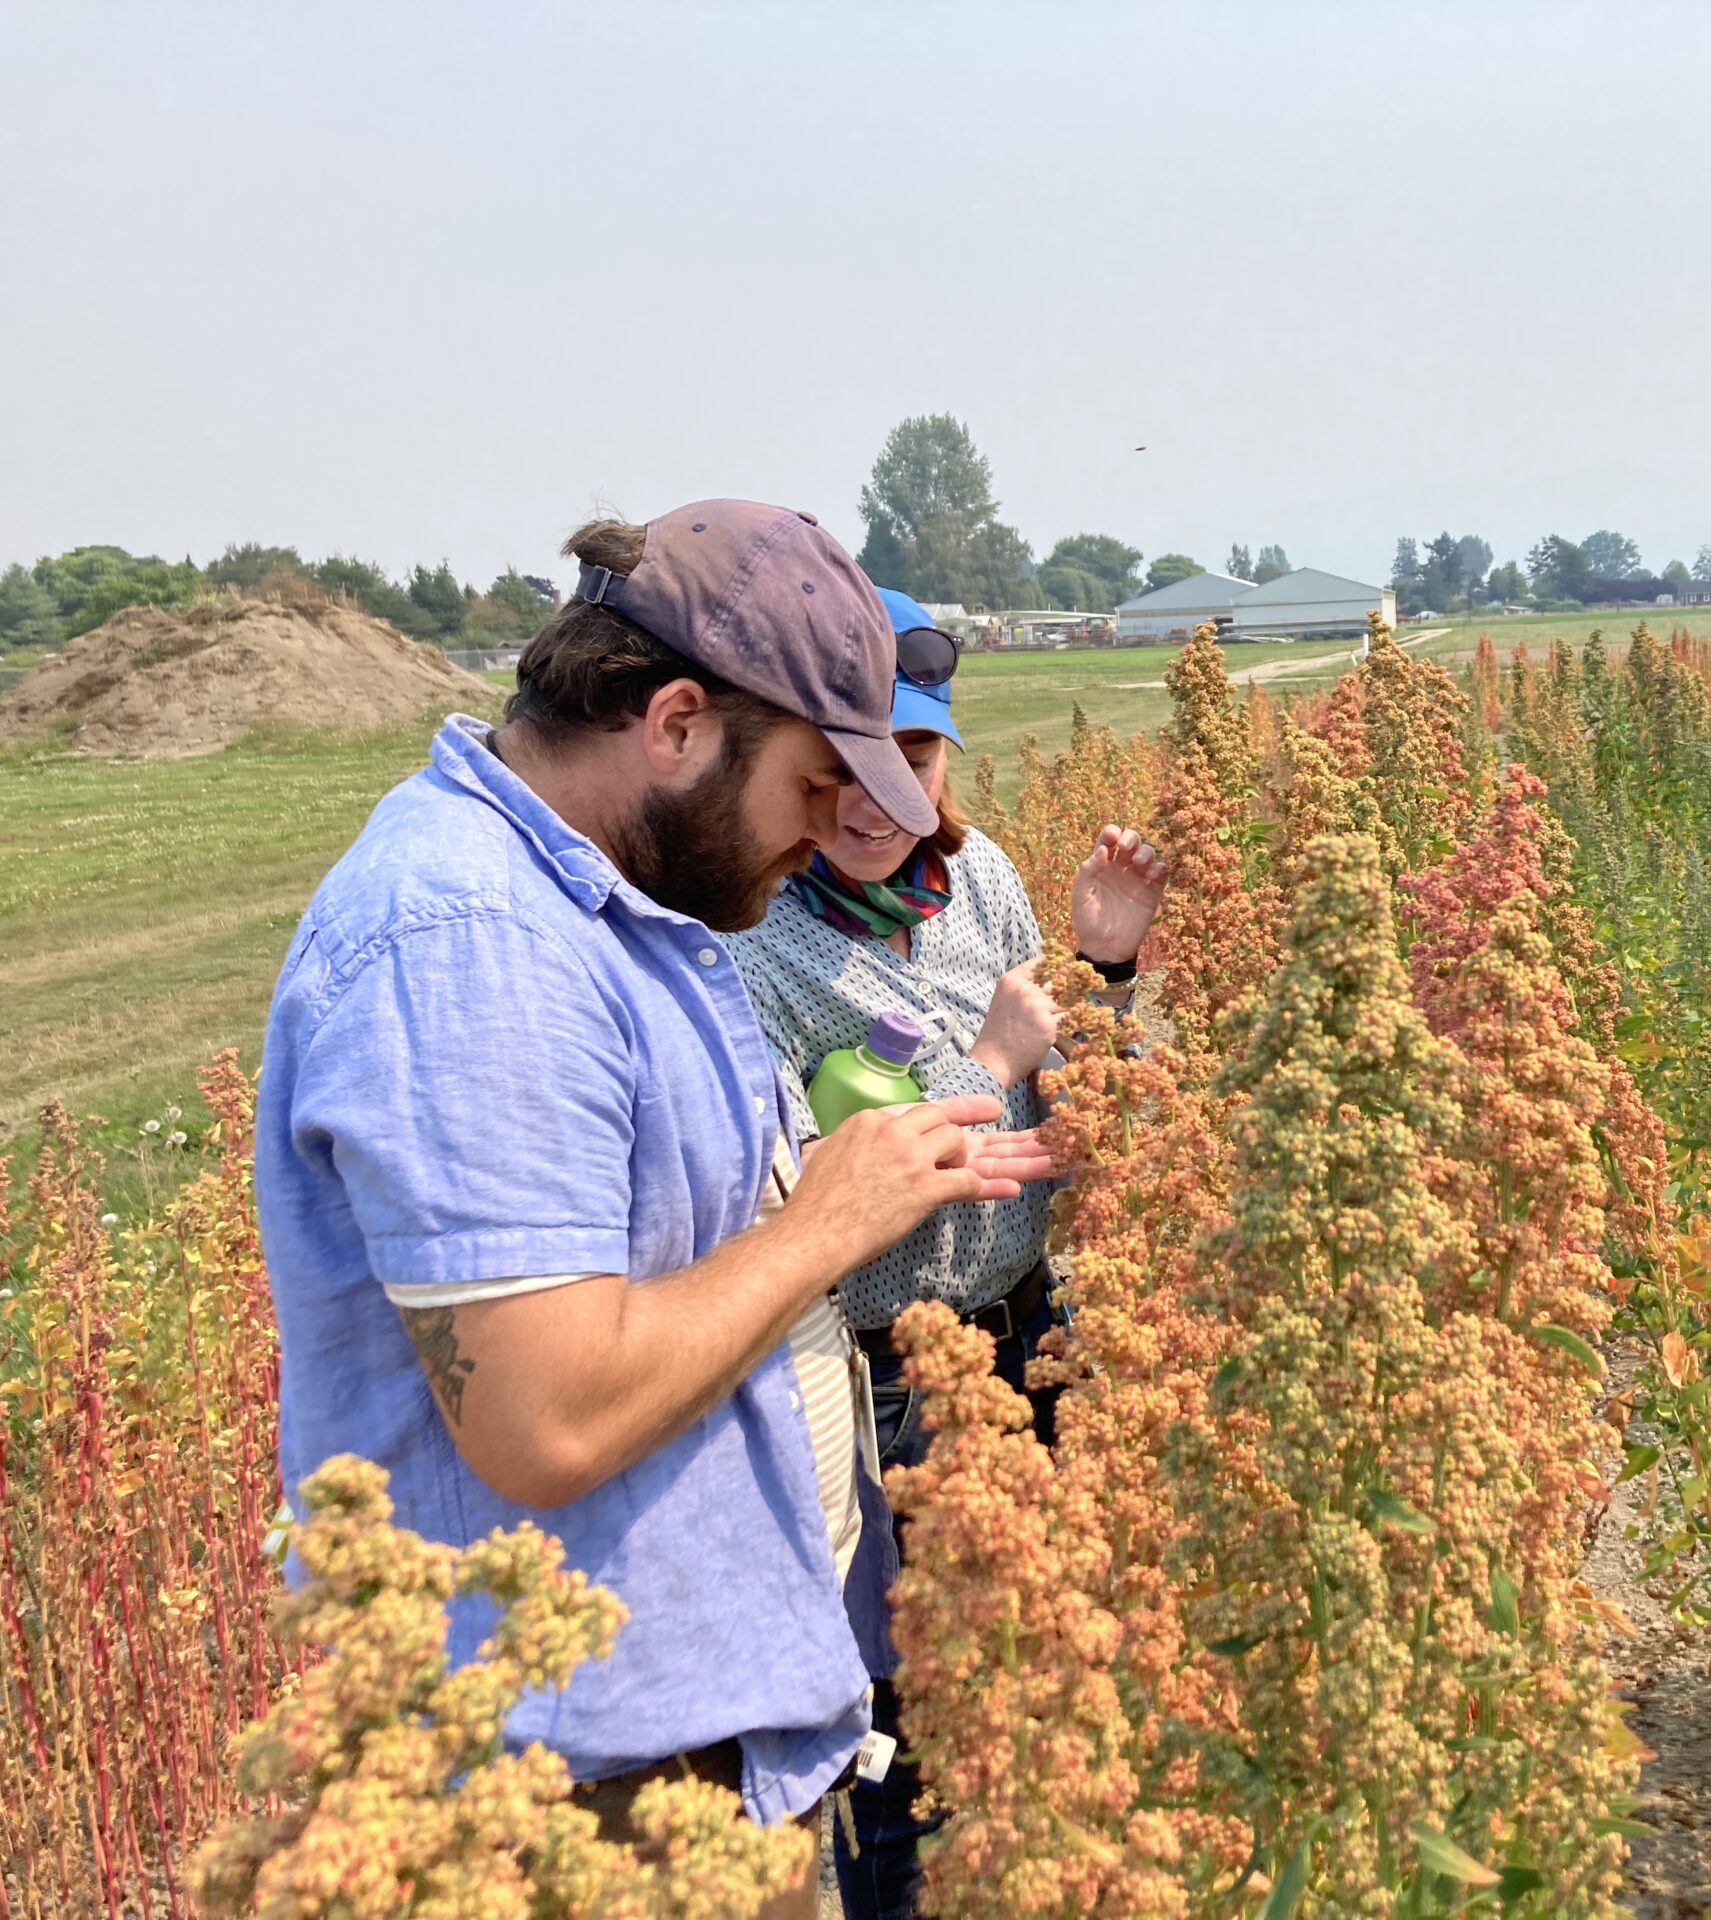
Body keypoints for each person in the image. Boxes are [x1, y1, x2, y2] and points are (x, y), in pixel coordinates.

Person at [254, 502, 1050, 1920]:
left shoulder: (614, 907)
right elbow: (544, 1414)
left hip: (684, 1747)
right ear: (677, 723)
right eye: (812, 785)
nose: (831, 836)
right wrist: (828, 1221)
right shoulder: (471, 947)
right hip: (581, 1802)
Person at [727, 586, 1166, 1917]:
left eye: (908, 761)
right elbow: (787, 1179)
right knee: (906, 1722)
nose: (875, 800)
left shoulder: (979, 880)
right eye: (844, 767)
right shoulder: (750, 931)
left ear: (942, 758)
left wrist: (1108, 971)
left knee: (1051, 1667)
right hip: (885, 1382)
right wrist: (984, 1061)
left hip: (1025, 1342)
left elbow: (1078, 1084)